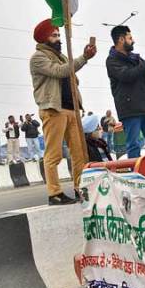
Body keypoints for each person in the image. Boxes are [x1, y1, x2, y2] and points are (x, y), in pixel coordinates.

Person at [29, 18, 96, 205]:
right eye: (54, 35)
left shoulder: (63, 57)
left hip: (71, 109)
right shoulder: (38, 58)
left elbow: (72, 77)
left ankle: (79, 189)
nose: (58, 38)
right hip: (54, 110)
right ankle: (54, 193)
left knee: (79, 153)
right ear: (44, 39)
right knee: (54, 155)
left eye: (59, 34)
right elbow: (59, 72)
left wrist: (78, 63)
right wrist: (83, 59)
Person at [106, 25, 145, 159]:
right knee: (134, 145)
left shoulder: (136, 58)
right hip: (130, 110)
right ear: (121, 39)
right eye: (130, 38)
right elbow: (127, 75)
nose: (133, 40)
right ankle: (136, 175)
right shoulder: (112, 61)